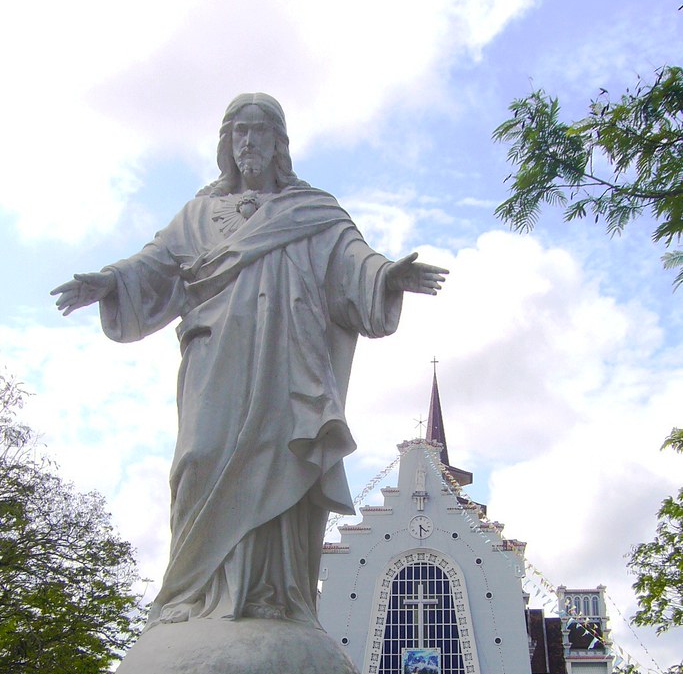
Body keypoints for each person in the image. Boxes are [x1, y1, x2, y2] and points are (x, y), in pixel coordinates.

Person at [52, 93, 447, 630]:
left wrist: (386, 277)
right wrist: (111, 281)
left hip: (288, 362)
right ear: (225, 143)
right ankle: (190, 595)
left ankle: (274, 597)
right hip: (215, 358)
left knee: (281, 458)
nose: (248, 143)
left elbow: (353, 258)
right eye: (238, 132)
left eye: (259, 132)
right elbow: (155, 264)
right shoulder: (197, 214)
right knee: (199, 457)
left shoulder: (313, 210)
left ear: (280, 144)